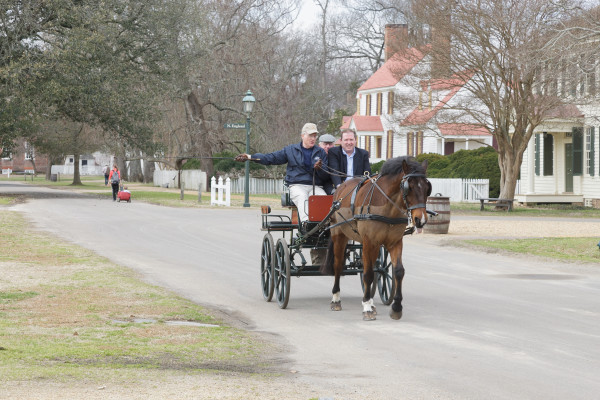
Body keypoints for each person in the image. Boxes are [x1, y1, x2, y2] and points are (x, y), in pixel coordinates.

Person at [235, 123, 329, 224]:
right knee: (302, 197)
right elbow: (271, 158)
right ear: (302, 136)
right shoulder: (291, 150)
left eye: (315, 136)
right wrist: (250, 157)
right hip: (297, 185)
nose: (313, 139)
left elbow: (325, 175)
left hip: (316, 186)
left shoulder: (321, 152)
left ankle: (325, 225)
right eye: (310, 135)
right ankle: (306, 224)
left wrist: (319, 168)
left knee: (323, 198)